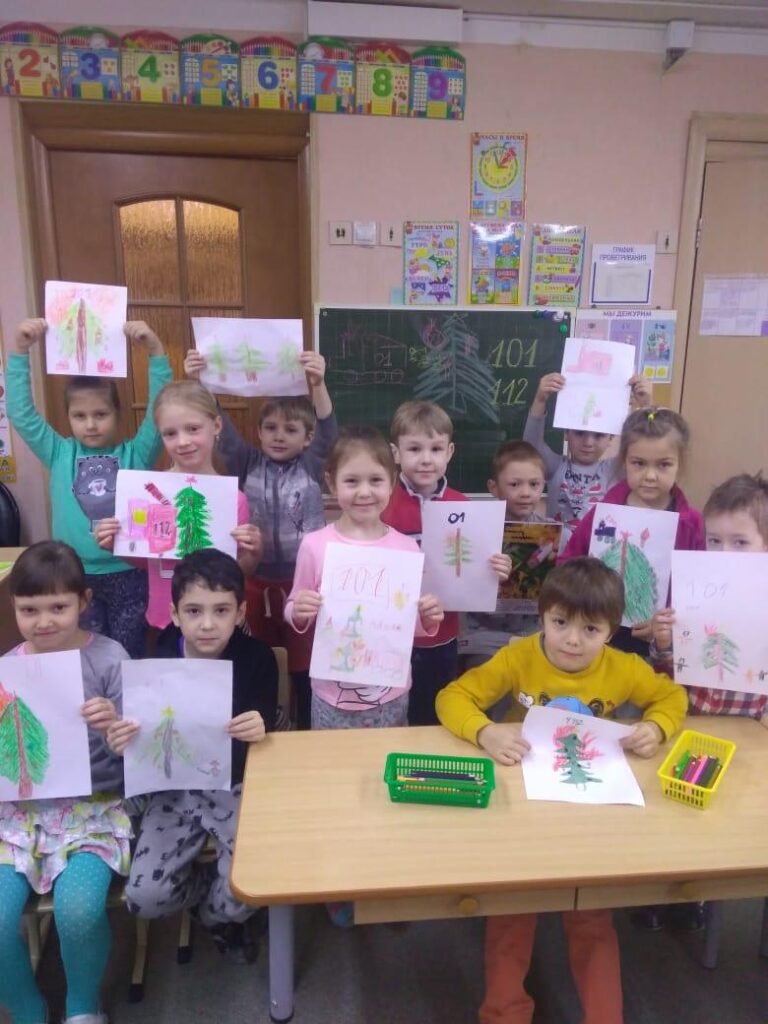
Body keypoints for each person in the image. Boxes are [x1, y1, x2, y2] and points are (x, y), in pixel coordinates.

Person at [436, 557, 687, 1024]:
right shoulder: (518, 656)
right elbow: (452, 697)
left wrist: (656, 726)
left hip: (591, 808)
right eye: (560, 623)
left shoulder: (624, 667)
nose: (572, 639)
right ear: (542, 617)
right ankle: (504, 1014)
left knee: (590, 915)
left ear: (611, 631)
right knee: (513, 911)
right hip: (524, 804)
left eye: (590, 629)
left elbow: (671, 696)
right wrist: (485, 731)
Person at [284, 426, 447, 929]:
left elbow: (410, 627)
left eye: (376, 480)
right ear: (330, 483)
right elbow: (295, 607)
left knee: (386, 787)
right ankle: (339, 881)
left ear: (392, 483)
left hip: (390, 695)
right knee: (336, 792)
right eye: (351, 481)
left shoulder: (406, 551)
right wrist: (299, 609)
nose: (363, 492)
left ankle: (383, 879)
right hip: (331, 697)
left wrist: (429, 617)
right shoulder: (316, 546)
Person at [106, 549, 278, 963]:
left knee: (254, 884)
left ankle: (213, 916)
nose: (207, 624)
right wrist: (121, 739)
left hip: (233, 784)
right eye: (194, 611)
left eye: (221, 610)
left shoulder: (257, 658)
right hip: (173, 789)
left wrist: (260, 724)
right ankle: (208, 891)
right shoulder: (157, 662)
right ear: (174, 614)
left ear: (240, 612)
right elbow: (139, 736)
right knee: (144, 897)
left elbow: (265, 719)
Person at [0, 542, 130, 1024]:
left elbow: (139, 751)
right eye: (29, 610)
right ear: (13, 607)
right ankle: (25, 1008)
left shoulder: (109, 658)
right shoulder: (9, 668)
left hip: (97, 807)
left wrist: (115, 725)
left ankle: (81, 1005)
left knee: (78, 911)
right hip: (20, 814)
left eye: (58, 607)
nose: (44, 622)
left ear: (84, 602)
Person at [184, 347, 337, 730]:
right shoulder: (246, 462)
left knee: (303, 665)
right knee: (262, 659)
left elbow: (329, 429)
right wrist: (203, 381)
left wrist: (318, 384)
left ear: (307, 438)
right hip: (255, 583)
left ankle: (306, 730)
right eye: (270, 428)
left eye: (291, 430)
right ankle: (268, 724)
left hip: (304, 585)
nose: (279, 436)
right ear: (259, 432)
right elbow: (220, 426)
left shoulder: (311, 465)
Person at [642, 472, 768, 931]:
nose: (723, 553)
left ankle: (711, 890)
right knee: (681, 813)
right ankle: (673, 892)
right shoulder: (694, 593)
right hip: (694, 724)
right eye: (714, 540)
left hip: (751, 734)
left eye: (740, 543)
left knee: (734, 817)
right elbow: (667, 672)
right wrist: (662, 643)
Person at [8, 318, 172, 658]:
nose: (91, 424)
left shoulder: (137, 453)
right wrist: (20, 352)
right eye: (79, 416)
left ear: (117, 414)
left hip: (130, 575)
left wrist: (156, 353)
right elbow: (21, 414)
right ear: (68, 416)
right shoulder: (59, 452)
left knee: (127, 655)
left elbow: (161, 412)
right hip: (74, 576)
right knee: (84, 658)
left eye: (101, 414)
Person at [93, 380, 262, 639]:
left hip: (214, 624)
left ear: (216, 426)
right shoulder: (149, 493)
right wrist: (116, 544)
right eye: (170, 433)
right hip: (165, 618)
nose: (183, 441)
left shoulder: (233, 500)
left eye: (193, 429)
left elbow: (238, 572)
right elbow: (149, 561)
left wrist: (253, 553)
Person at [559, 407, 705, 654]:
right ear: (624, 461)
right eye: (638, 463)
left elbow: (698, 590)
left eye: (664, 465)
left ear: (679, 465)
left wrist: (667, 623)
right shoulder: (603, 514)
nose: (650, 475)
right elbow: (568, 564)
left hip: (658, 646)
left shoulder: (690, 523)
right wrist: (585, 601)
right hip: (597, 637)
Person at [382, 400, 466, 725]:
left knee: (431, 717)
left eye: (436, 448)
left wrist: (493, 570)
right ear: (396, 452)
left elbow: (470, 571)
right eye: (414, 449)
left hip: (442, 635)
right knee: (391, 714)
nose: (426, 459)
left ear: (450, 451)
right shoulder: (381, 503)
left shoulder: (463, 506)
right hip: (389, 635)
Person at [524, 371, 653, 548]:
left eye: (598, 435)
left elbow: (646, 451)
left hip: (596, 556)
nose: (588, 443)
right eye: (579, 433)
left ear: (610, 438)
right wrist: (540, 400)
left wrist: (647, 406)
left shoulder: (615, 469)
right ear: (566, 433)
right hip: (558, 555)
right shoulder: (556, 467)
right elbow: (531, 447)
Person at [460, 441, 549, 670]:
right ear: (494, 487)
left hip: (533, 635)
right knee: (488, 675)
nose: (525, 493)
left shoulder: (554, 535)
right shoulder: (473, 531)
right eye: (514, 484)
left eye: (534, 484)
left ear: (543, 485)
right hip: (483, 638)